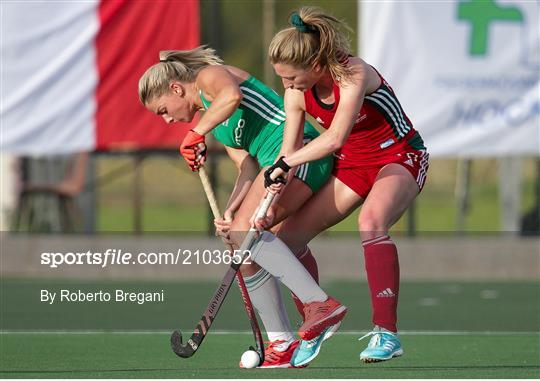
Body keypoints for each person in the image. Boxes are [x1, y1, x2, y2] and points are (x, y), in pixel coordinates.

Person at [137, 46, 347, 368]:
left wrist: (196, 132)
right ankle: (282, 342)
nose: (166, 119)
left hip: (296, 154)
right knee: (242, 242)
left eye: (163, 109)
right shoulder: (216, 122)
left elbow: (231, 96)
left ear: (176, 89)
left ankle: (320, 304)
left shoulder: (208, 78)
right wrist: (231, 211)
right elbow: (247, 167)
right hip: (270, 167)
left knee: (246, 234)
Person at [263, 7, 429, 365]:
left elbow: (335, 138)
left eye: (292, 78)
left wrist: (286, 164)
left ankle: (387, 334)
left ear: (317, 64)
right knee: (287, 241)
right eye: (283, 79)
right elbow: (289, 150)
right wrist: (277, 181)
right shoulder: (296, 90)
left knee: (371, 222)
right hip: (353, 166)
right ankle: (317, 315)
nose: (288, 87)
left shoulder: (355, 73)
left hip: (398, 157)